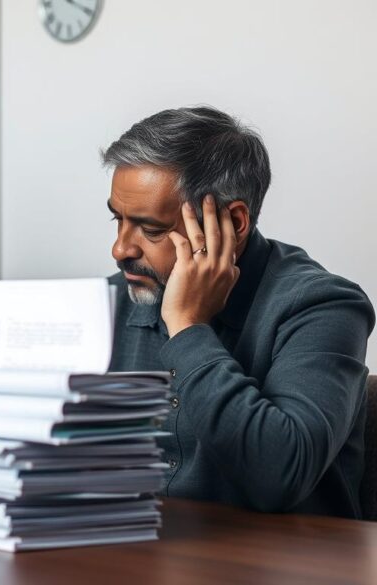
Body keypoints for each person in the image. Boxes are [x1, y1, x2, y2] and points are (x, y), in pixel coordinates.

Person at [102, 106, 374, 517]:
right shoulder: (109, 302)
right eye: (116, 219)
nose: (120, 249)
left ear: (233, 222)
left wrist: (187, 327)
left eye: (152, 229)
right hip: (135, 556)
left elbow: (280, 475)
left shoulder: (324, 307)